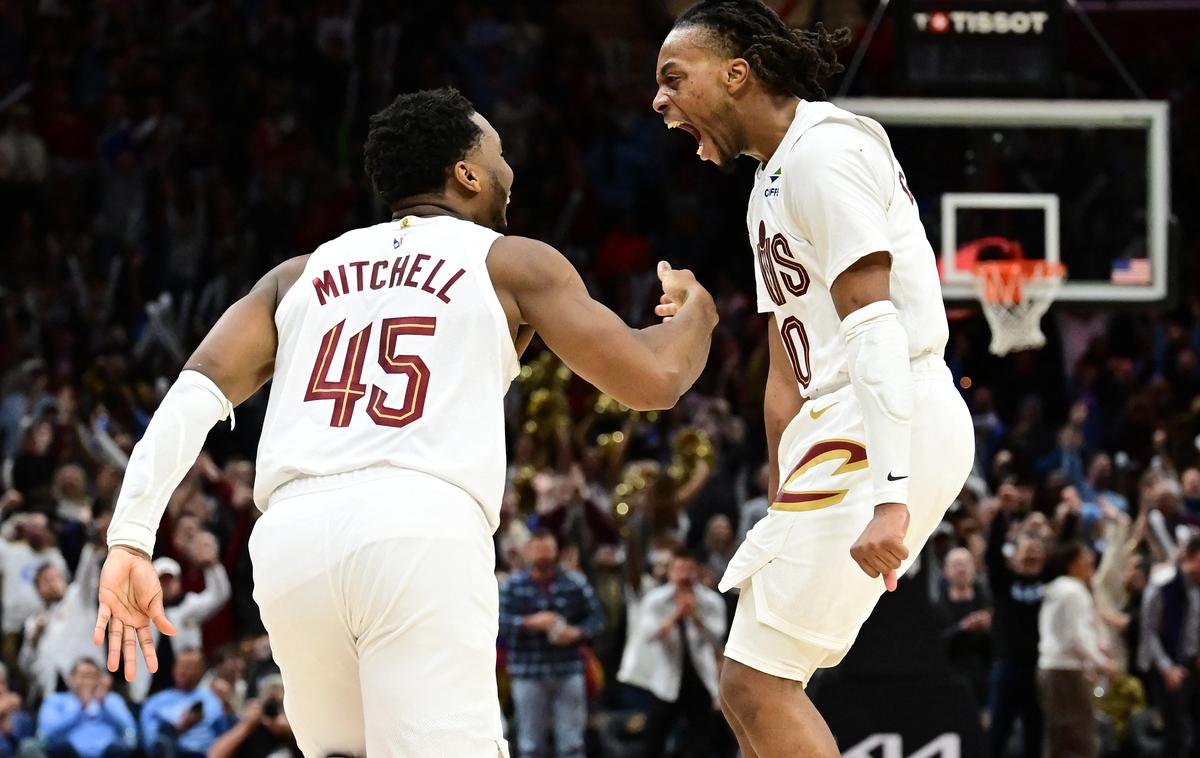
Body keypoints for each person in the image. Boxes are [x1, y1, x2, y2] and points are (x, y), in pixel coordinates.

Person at [93, 86, 717, 758]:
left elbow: (193, 394)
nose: (510, 171)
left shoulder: (298, 275)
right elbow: (653, 381)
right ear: (467, 175)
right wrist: (697, 314)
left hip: (292, 542)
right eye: (499, 156)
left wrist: (130, 537)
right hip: (417, 525)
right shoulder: (510, 260)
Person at [650, 2, 973, 754]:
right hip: (841, 428)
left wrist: (892, 498)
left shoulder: (825, 152)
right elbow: (787, 360)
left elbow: (874, 325)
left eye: (674, 79)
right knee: (747, 691)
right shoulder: (772, 178)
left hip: (884, 417)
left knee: (756, 684)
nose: (659, 101)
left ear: (735, 74)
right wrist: (777, 485)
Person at [498, 529, 605, 758]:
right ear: (527, 552)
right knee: (531, 745)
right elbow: (498, 622)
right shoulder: (512, 585)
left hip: (567, 669)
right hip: (528, 672)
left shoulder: (574, 582)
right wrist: (528, 623)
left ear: (556, 550)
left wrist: (576, 633)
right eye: (537, 550)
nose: (543, 556)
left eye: (547, 550)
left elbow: (597, 620)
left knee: (572, 745)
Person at [617, 549, 727, 758]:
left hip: (699, 677)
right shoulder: (655, 600)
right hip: (665, 678)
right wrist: (676, 616)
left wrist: (695, 617)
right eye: (679, 569)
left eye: (689, 569)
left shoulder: (711, 601)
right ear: (670, 572)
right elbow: (647, 635)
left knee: (700, 742)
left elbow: (717, 638)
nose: (684, 575)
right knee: (654, 740)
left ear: (697, 572)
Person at [986, 488, 1049, 758]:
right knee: (998, 730)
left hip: (1038, 665)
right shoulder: (1004, 581)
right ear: (1016, 554)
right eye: (1027, 550)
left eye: (1037, 552)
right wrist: (1002, 513)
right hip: (1007, 664)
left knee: (1035, 731)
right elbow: (992, 555)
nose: (1032, 555)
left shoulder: (1049, 581)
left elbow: (1065, 552)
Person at [1037, 542, 1114, 758]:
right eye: (1085, 557)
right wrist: (1102, 663)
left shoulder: (1056, 588)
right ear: (1072, 564)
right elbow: (1078, 637)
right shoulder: (1074, 591)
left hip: (1049, 668)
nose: (1091, 560)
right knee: (1082, 740)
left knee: (1057, 739)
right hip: (1066, 671)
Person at [1138, 535, 1200, 758]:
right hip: (1167, 667)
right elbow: (1149, 632)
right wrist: (1167, 668)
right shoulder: (1163, 584)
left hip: (1193, 664)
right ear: (1193, 556)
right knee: (1175, 735)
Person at [36, 658, 137, 758]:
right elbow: (46, 736)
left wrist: (104, 704)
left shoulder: (112, 700)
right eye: (83, 676)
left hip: (107, 753)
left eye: (93, 676)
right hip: (69, 752)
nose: (88, 681)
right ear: (71, 678)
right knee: (60, 748)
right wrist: (81, 706)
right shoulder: (56, 700)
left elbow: (130, 730)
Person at [139, 649, 225, 758]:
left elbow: (223, 735)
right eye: (180, 665)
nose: (183, 670)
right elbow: (150, 742)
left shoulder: (212, 699)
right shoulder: (155, 702)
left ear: (201, 671)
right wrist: (178, 729)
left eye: (189, 666)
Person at [937, 546, 992, 703]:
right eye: (956, 564)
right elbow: (935, 644)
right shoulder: (938, 607)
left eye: (966, 563)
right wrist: (963, 628)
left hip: (985, 676)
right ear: (945, 571)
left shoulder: (987, 601)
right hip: (951, 678)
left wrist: (988, 626)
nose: (961, 569)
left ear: (974, 568)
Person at [206, 674, 299, 758]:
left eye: (280, 704)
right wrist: (246, 724)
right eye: (271, 701)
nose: (274, 708)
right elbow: (214, 755)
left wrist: (290, 730)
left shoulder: (297, 732)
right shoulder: (250, 728)